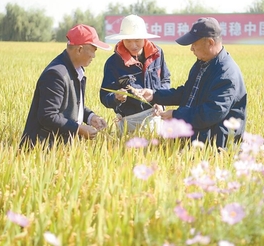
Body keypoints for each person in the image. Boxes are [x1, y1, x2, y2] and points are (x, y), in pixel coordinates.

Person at [139, 17, 247, 150]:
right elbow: (187, 92)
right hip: (195, 141)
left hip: (215, 148)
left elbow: (211, 113)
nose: (191, 49)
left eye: (194, 44)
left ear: (210, 42)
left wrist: (176, 115)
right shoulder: (203, 63)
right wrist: (155, 95)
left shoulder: (226, 74)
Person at [20, 24, 111, 149]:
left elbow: (71, 104)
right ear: (79, 49)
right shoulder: (56, 74)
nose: (94, 55)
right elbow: (48, 115)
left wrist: (90, 117)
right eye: (93, 49)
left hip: (61, 147)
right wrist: (78, 129)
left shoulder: (76, 70)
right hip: (43, 149)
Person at [100, 14, 171, 134]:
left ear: (144, 38)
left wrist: (161, 102)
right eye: (128, 41)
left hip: (155, 117)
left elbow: (165, 80)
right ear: (122, 39)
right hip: (129, 121)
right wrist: (116, 97)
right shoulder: (113, 63)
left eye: (137, 40)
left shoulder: (157, 54)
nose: (133, 45)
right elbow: (105, 95)